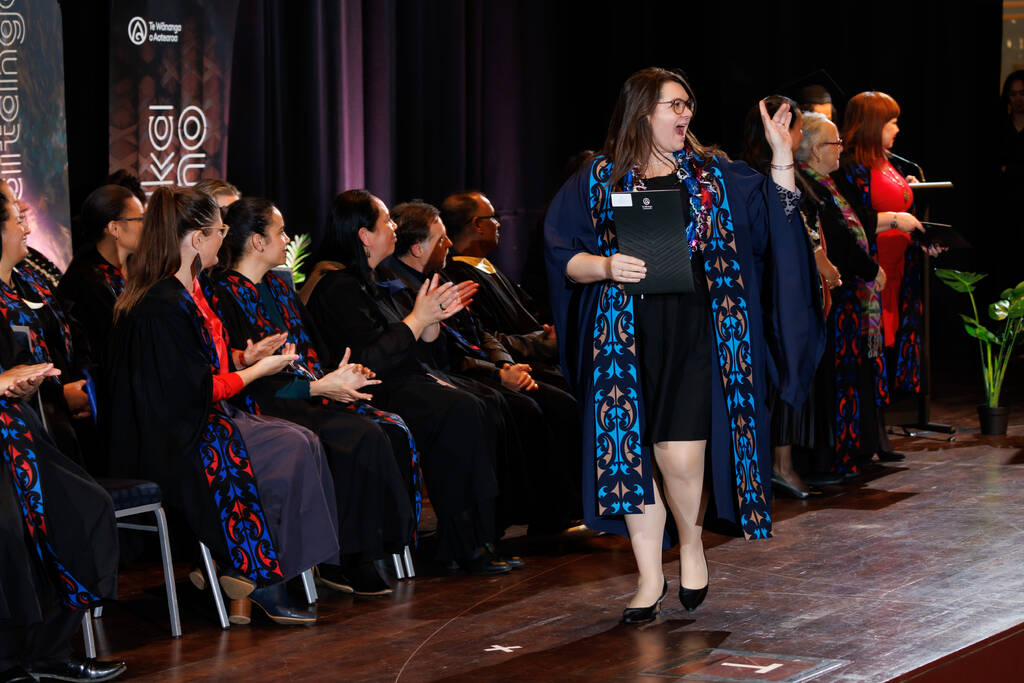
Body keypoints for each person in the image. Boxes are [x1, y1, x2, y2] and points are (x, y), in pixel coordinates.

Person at [544, 67, 822, 623]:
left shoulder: (714, 174)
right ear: (643, 111)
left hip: (696, 328)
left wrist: (781, 156)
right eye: (674, 105)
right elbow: (559, 254)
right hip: (624, 335)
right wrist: (603, 265)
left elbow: (778, 216)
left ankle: (691, 547)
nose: (685, 114)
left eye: (688, 105)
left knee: (680, 455)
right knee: (632, 460)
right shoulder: (598, 178)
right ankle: (649, 578)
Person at [108, 186, 340, 625]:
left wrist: (242, 359)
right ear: (196, 240)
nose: (224, 239)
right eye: (218, 231)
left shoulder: (183, 293)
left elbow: (191, 368)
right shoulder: (161, 305)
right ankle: (259, 577)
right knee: (287, 449)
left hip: (195, 418)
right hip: (176, 436)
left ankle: (254, 572)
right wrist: (259, 370)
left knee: (301, 440)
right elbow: (193, 390)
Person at [207, 196, 418, 596]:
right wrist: (322, 387)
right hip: (266, 402)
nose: (287, 239)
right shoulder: (223, 295)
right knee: (360, 437)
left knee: (389, 426)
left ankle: (379, 546)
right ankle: (346, 558)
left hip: (307, 390)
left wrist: (340, 376)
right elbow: (251, 379)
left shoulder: (279, 287)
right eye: (280, 232)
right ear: (255, 242)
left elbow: (312, 353)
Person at [305, 189, 510, 575]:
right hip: (371, 387)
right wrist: (419, 319)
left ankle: (480, 534)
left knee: (486, 402)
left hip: (405, 378)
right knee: (460, 409)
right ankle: (463, 544)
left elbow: (417, 343)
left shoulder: (377, 275)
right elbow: (369, 359)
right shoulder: (337, 286)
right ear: (364, 235)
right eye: (386, 222)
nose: (394, 227)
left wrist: (433, 317)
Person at [386, 200, 582, 535]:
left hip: (484, 364)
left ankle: (563, 508)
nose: (448, 243)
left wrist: (505, 363)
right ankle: (528, 515)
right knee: (527, 406)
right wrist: (498, 372)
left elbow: (479, 332)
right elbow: (445, 352)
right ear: (418, 248)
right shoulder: (405, 288)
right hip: (456, 374)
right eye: (440, 238)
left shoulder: (439, 278)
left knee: (563, 392)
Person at [0, 191, 125, 682]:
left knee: (84, 508)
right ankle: (15, 657)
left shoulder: (19, 284)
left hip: (21, 431)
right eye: (16, 219)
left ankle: (47, 649)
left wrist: (23, 378)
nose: (27, 228)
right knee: (14, 528)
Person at [742, 95, 836, 498]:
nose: (795, 137)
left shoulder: (787, 175)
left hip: (797, 295)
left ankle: (781, 465)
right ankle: (773, 467)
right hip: (768, 298)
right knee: (777, 377)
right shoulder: (749, 178)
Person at [833, 91, 928, 464]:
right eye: (891, 122)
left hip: (897, 274)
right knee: (870, 351)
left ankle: (878, 433)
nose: (897, 129)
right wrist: (894, 219)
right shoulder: (852, 165)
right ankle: (868, 436)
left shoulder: (886, 161)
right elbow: (851, 219)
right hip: (869, 276)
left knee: (884, 350)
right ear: (874, 125)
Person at [796, 112, 889, 479]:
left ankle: (851, 452)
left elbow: (857, 229)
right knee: (836, 381)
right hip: (834, 295)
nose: (841, 150)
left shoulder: (829, 184)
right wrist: (869, 269)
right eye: (836, 143)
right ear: (817, 149)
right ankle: (833, 458)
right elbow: (838, 241)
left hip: (849, 296)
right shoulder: (811, 187)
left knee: (850, 379)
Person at [441, 191, 566, 389]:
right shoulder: (458, 277)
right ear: (477, 225)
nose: (498, 224)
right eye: (493, 217)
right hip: (514, 366)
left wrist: (544, 331)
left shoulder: (485, 266)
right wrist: (542, 343)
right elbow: (483, 337)